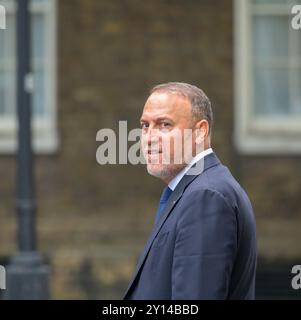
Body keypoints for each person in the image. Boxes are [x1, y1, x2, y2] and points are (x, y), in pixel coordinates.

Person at [123, 82, 257, 300]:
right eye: (145, 125)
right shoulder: (195, 190)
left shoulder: (207, 196)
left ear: (199, 132)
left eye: (164, 125)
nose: (149, 137)